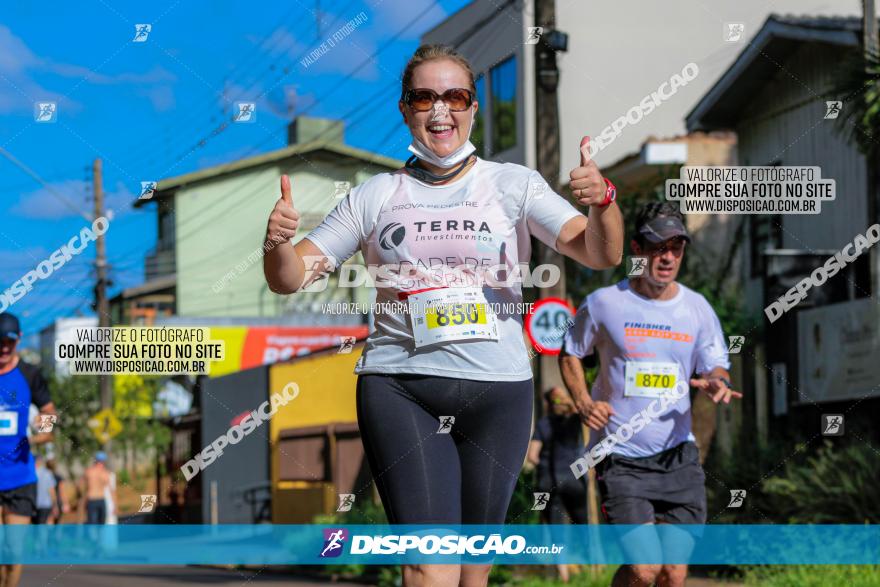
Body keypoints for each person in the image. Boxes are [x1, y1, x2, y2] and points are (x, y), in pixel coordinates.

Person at [264, 44, 623, 587]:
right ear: (405, 110)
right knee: (430, 566)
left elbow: (601, 253)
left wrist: (605, 200)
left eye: (455, 96)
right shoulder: (374, 196)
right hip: (400, 387)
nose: (440, 110)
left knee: (473, 574)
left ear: (473, 109)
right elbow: (289, 276)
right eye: (424, 97)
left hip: (498, 391)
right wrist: (276, 243)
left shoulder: (514, 184)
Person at [559, 202, 741, 587]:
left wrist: (716, 381)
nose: (668, 257)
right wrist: (583, 402)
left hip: (679, 457)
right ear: (638, 250)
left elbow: (715, 364)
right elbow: (570, 353)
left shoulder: (697, 309)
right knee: (644, 570)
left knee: (673, 573)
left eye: (677, 248)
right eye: (659, 247)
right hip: (621, 457)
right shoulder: (604, 303)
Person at [0, 312, 56, 587]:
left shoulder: (30, 375)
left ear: (18, 341)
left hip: (20, 479)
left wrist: (41, 430)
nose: (3, 347)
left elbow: (49, 413)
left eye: (8, 342)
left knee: (13, 553)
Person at [526, 386, 587, 583]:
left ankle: (561, 574)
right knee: (583, 524)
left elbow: (532, 456)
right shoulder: (575, 420)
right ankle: (589, 564)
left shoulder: (543, 424)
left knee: (552, 526)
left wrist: (543, 463)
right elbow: (580, 409)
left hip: (547, 483)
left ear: (548, 404)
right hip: (574, 480)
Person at [79, 452, 115, 524]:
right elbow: (112, 491)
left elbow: (79, 485)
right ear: (104, 461)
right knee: (101, 524)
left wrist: (83, 495)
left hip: (91, 499)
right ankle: (98, 535)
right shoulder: (105, 473)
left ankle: (94, 535)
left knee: (92, 524)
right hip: (100, 500)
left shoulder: (89, 471)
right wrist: (114, 505)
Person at [32, 456, 57, 525]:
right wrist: (55, 505)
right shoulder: (47, 473)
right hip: (45, 505)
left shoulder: (31, 474)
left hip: (33, 504)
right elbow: (52, 491)